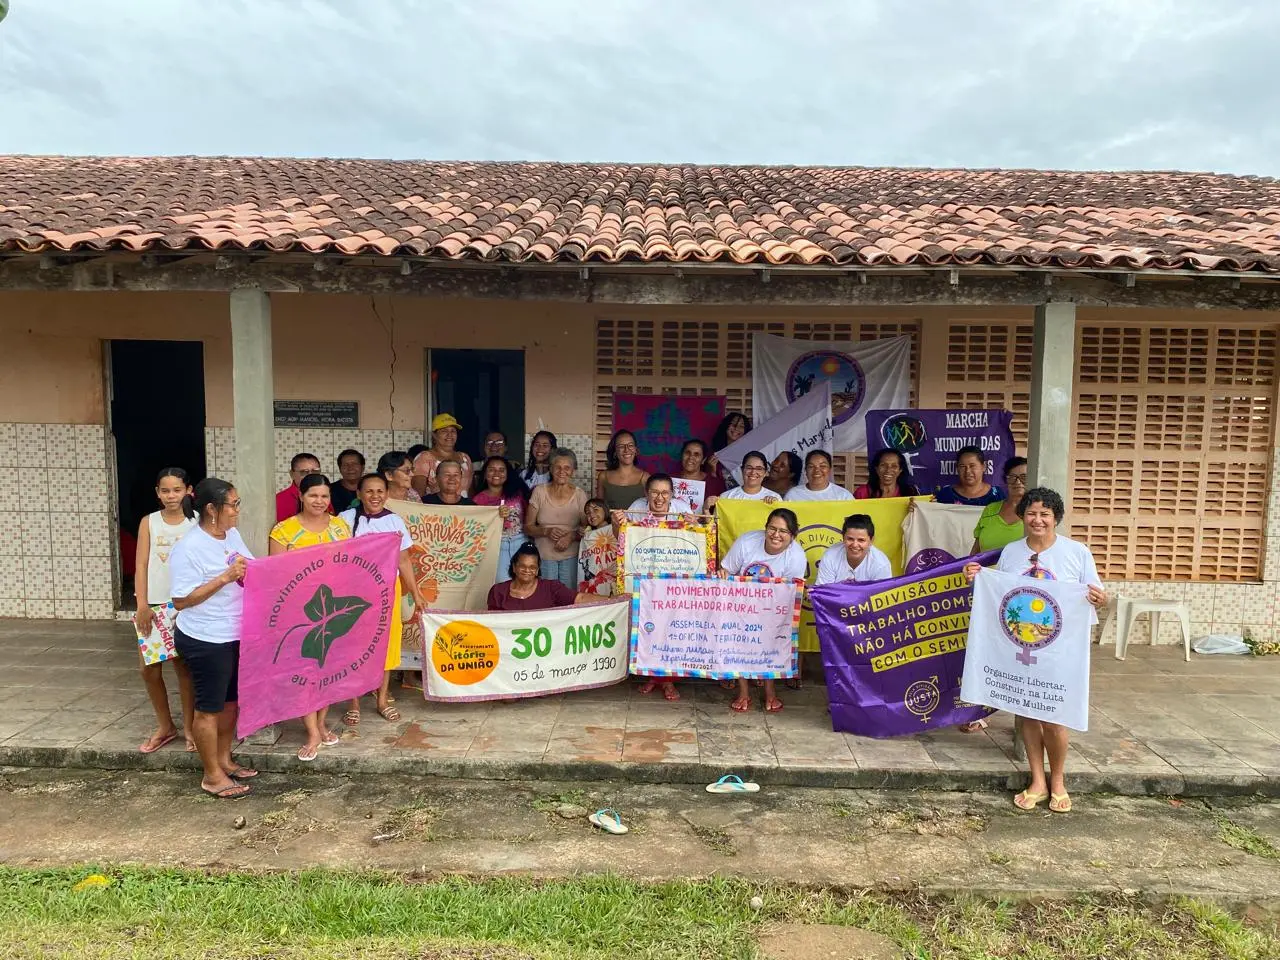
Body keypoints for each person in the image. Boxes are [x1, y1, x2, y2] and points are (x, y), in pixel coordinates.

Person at [964, 487, 1107, 814]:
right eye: (1031, 513)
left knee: (1056, 716)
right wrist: (978, 576)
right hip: (1021, 648)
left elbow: (1098, 592)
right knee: (1026, 710)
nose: (1037, 520)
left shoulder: (1076, 552)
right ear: (1022, 517)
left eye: (1045, 514)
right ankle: (1037, 780)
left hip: (1060, 650)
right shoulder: (1011, 552)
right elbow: (1001, 593)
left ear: (1056, 518)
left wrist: (1102, 598)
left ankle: (1058, 780)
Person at [168, 478, 255, 800]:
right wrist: (224, 578)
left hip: (235, 632)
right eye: (232, 504)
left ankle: (224, 760)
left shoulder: (231, 534)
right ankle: (211, 776)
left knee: (231, 703)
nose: (237, 510)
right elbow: (181, 600)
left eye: (237, 503)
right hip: (205, 638)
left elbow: (250, 566)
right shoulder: (189, 548)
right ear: (211, 509)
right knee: (209, 709)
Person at [268, 473, 352, 761]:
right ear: (301, 497)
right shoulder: (283, 531)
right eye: (314, 495)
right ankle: (312, 731)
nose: (320, 501)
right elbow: (277, 576)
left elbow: (350, 565)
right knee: (305, 672)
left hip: (334, 610)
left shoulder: (340, 527)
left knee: (327, 672)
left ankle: (321, 721)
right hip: (298, 613)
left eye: (325, 496)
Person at [339, 473, 427, 726]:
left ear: (386, 494)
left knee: (385, 646)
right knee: (353, 647)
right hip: (351, 594)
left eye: (380, 491)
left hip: (386, 593)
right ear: (359, 494)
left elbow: (403, 561)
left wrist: (416, 593)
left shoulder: (394, 521)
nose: (375, 496)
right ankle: (353, 703)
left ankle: (382, 700)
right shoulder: (345, 520)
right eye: (369, 491)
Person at [133, 467, 197, 755]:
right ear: (157, 493)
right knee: (149, 669)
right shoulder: (149, 522)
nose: (171, 496)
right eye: (165, 490)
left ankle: (191, 728)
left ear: (188, 490)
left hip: (185, 604)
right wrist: (142, 605)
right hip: (154, 605)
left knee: (184, 668)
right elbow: (142, 565)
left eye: (177, 490)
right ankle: (165, 725)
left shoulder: (196, 522)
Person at [719, 507, 807, 714]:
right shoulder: (747, 542)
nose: (776, 535)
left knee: (772, 643)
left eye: (783, 531)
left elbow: (790, 591)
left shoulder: (796, 556)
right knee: (737, 643)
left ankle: (770, 691)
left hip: (774, 609)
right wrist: (723, 574)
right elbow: (727, 570)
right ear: (765, 528)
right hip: (739, 604)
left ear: (793, 536)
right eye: (772, 528)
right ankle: (743, 693)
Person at [525, 448, 588, 590]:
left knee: (568, 599)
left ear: (573, 471)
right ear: (551, 469)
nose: (562, 471)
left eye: (567, 468)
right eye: (557, 467)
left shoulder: (580, 495)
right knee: (546, 600)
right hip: (544, 556)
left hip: (571, 556)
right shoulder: (539, 491)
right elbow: (528, 527)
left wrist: (571, 536)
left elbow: (587, 529)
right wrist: (546, 531)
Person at [473, 455, 530, 582]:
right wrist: (495, 516)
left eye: (501, 470)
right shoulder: (478, 500)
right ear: (485, 474)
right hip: (496, 547)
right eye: (492, 469)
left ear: (507, 473)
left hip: (521, 543)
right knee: (503, 583)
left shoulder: (518, 493)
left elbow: (529, 518)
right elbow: (477, 530)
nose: (497, 473)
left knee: (525, 582)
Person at [486, 542, 579, 611]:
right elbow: (492, 623)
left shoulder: (552, 588)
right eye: (522, 566)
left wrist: (594, 608)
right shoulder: (497, 591)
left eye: (532, 567)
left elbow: (580, 599)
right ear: (514, 567)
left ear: (537, 570)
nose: (527, 570)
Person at [814, 514, 893, 585]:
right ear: (843, 538)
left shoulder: (881, 564)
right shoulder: (830, 555)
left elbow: (879, 597)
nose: (855, 545)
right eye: (850, 539)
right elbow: (823, 593)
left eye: (861, 540)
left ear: (871, 541)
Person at [972, 457, 1029, 553]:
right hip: (985, 568)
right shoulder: (990, 510)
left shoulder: (1036, 513)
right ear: (1005, 480)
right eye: (1012, 477)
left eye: (1024, 477)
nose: (1018, 482)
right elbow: (975, 552)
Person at [412, 413, 473, 497]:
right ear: (434, 435)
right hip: (435, 509)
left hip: (463, 509)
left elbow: (470, 491)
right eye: (444, 431)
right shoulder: (425, 458)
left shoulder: (465, 458)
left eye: (453, 431)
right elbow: (418, 495)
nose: (449, 435)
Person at [597, 429, 648, 511]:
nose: (626, 450)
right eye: (621, 446)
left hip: (635, 524)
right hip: (610, 523)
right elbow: (599, 509)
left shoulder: (645, 477)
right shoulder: (603, 477)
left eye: (630, 445)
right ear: (615, 452)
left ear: (636, 450)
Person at [936, 445, 1004, 506]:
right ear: (957, 468)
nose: (967, 471)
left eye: (972, 466)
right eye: (962, 466)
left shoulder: (997, 496)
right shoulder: (945, 495)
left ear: (983, 467)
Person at [577, 498, 618, 596]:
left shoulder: (615, 528)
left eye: (596, 510)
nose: (591, 515)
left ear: (606, 510)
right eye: (587, 513)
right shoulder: (587, 535)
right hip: (595, 583)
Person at [675, 439, 726, 511]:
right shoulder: (669, 481)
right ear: (682, 455)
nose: (690, 457)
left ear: (703, 460)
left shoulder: (715, 484)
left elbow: (720, 513)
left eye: (696, 454)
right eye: (687, 453)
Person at [785, 450, 853, 502]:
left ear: (830, 469)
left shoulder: (843, 496)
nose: (817, 470)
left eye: (822, 466)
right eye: (811, 466)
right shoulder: (792, 495)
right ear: (805, 470)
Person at [706, 411, 751, 489]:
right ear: (726, 426)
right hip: (720, 496)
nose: (736, 428)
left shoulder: (749, 455)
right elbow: (709, 484)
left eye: (741, 426)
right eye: (733, 424)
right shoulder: (714, 453)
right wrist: (712, 471)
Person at [275, 452, 322, 522]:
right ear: (292, 474)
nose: (310, 476)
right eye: (304, 472)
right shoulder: (278, 501)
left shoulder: (324, 498)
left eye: (315, 472)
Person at [855, 449, 920, 499]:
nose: (888, 470)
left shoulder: (910, 493)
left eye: (894, 466)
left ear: (900, 470)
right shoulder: (862, 492)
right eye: (883, 465)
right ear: (876, 468)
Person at [622, 473, 693, 518]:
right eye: (654, 492)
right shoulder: (636, 507)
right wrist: (617, 525)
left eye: (665, 493)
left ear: (671, 495)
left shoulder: (683, 509)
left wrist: (695, 525)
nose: (659, 498)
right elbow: (623, 535)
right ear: (646, 493)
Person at [331, 448, 365, 513]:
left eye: (354, 464)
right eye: (345, 465)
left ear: (362, 467)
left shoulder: (371, 490)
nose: (350, 468)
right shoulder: (329, 490)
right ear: (340, 469)